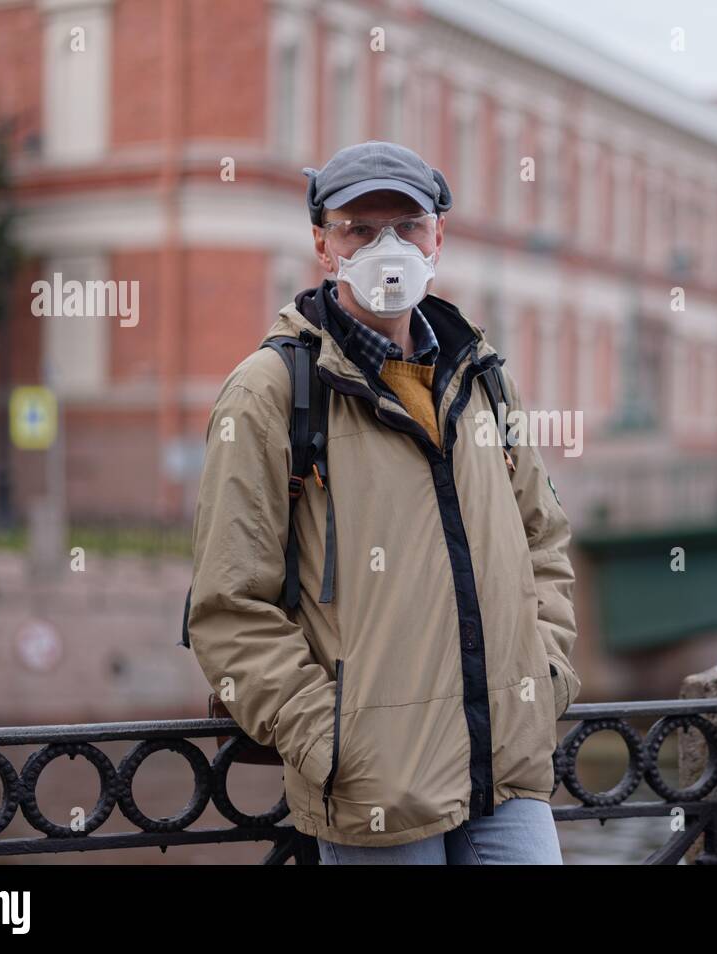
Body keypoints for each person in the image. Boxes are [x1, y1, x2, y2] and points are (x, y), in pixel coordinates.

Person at [186, 141, 581, 864]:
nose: (386, 247)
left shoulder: (482, 378)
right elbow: (228, 606)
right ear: (322, 244)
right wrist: (330, 737)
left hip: (507, 770)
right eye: (359, 229)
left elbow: (543, 540)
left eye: (406, 226)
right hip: (377, 791)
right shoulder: (271, 393)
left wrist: (544, 676)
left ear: (439, 237)